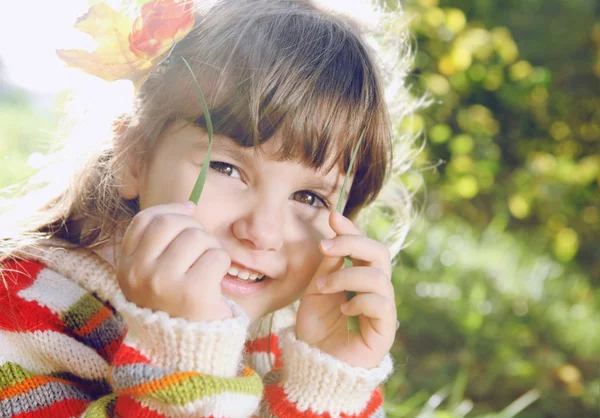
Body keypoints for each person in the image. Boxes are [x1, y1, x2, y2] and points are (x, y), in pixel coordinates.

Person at [0, 0, 416, 416]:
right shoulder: (21, 313)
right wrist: (185, 351)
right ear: (133, 155)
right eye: (226, 168)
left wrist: (328, 386)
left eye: (310, 198)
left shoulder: (287, 340)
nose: (262, 232)